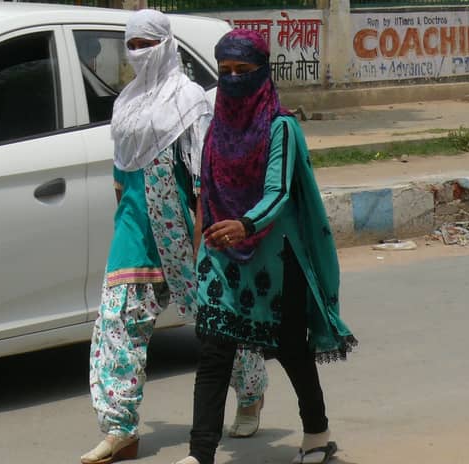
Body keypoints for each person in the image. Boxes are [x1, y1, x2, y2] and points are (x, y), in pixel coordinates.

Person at [80, 11, 268, 464]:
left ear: (166, 45)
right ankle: (120, 427)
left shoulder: (189, 101)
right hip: (134, 226)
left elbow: (205, 175)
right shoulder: (126, 103)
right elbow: (120, 171)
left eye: (148, 44)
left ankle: (250, 391)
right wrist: (122, 217)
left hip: (184, 228)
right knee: (116, 319)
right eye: (132, 45)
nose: (139, 53)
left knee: (216, 319)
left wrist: (205, 238)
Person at [174, 30, 358, 464]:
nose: (233, 79)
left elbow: (278, 191)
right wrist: (201, 250)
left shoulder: (282, 127)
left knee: (291, 347)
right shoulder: (216, 129)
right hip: (222, 255)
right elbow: (207, 191)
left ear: (263, 72)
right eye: (225, 71)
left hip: (275, 257)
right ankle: (200, 454)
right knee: (214, 351)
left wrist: (245, 225)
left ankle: (317, 434)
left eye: (244, 70)